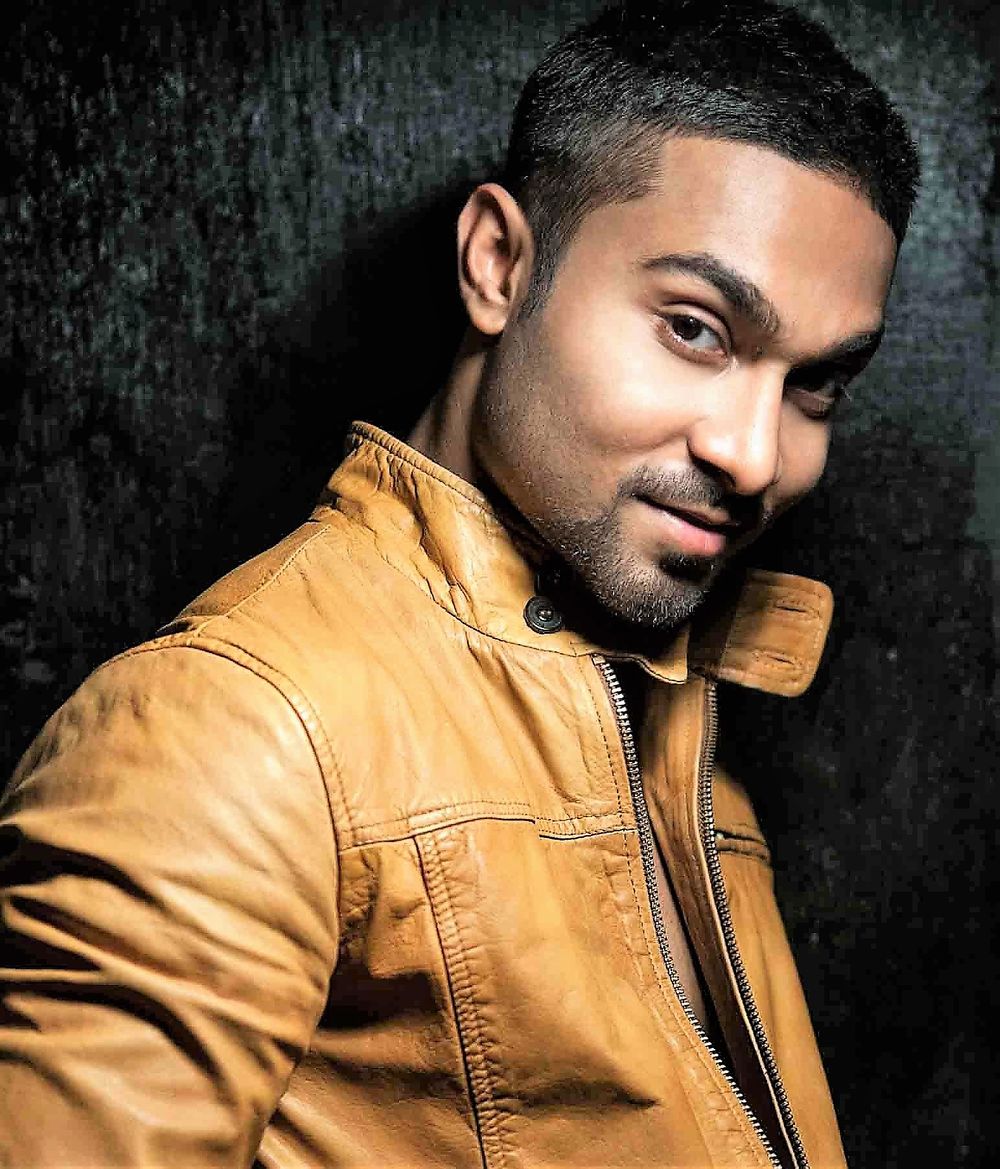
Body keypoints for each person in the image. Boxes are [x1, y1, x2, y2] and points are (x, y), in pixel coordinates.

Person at [0, 1, 918, 1166]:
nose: (752, 455)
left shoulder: (666, 701)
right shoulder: (234, 727)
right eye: (694, 329)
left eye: (814, 384)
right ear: (499, 264)